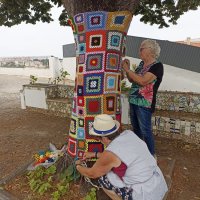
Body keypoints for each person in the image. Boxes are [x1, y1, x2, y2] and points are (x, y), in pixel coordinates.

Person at [75, 114, 168, 200]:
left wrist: (78, 166)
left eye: (98, 138)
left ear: (103, 138)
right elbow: (120, 155)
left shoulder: (111, 153)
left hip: (143, 194)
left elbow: (92, 173)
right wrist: (94, 154)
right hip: (156, 184)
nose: (99, 140)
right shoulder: (129, 134)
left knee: (103, 178)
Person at [121, 39, 164, 156]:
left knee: (145, 131)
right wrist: (128, 68)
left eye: (141, 49)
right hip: (134, 100)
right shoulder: (141, 64)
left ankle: (151, 156)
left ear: (150, 51)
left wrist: (127, 69)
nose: (139, 51)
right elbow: (132, 80)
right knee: (136, 129)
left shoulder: (157, 66)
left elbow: (143, 81)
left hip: (144, 104)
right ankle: (139, 153)